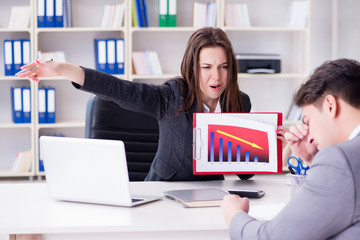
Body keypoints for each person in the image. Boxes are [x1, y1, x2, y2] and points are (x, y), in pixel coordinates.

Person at [18, 27, 254, 181]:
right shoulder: (172, 96)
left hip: (210, 198)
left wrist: (266, 143)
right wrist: (63, 69)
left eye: (223, 67)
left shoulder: (239, 102)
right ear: (193, 69)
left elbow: (245, 173)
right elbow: (120, 90)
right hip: (163, 195)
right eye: (207, 67)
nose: (216, 77)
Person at [221, 58, 360, 239]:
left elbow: (270, 237)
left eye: (307, 121)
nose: (309, 134)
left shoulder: (340, 160)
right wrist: (312, 160)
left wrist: (234, 216)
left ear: (330, 106)